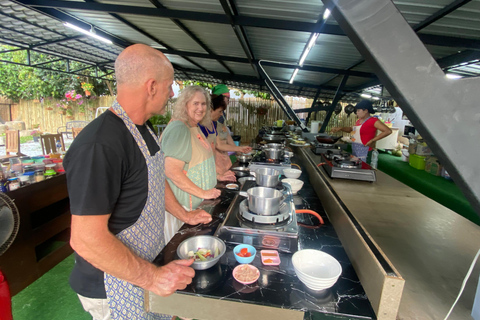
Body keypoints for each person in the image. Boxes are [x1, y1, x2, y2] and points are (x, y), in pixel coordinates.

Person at [64, 44, 212, 320]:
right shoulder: (100, 145)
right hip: (111, 284)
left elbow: (155, 179)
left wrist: (185, 214)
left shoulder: (142, 130)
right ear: (152, 86)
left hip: (143, 268)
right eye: (169, 86)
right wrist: (153, 277)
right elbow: (85, 239)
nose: (172, 94)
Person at [161, 86, 231, 242]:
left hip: (198, 206)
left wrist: (218, 175)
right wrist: (203, 193)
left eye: (204, 104)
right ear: (185, 104)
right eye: (195, 103)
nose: (201, 108)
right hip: (184, 210)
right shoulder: (179, 129)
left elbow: (197, 162)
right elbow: (171, 171)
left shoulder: (192, 126)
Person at [198, 95, 252, 175]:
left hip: (211, 164)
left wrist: (240, 149)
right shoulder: (199, 126)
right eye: (220, 111)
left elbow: (219, 145)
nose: (221, 114)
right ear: (210, 110)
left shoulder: (213, 124)